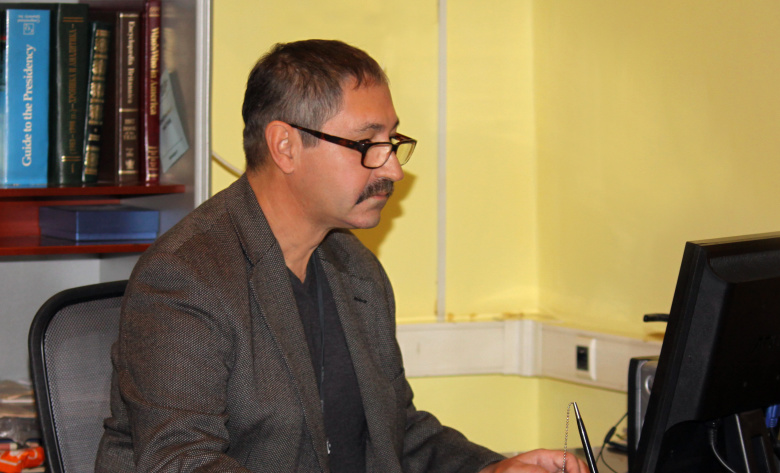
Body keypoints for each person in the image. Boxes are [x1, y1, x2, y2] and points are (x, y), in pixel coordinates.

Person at [94, 39, 588, 473]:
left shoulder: (355, 268)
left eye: (391, 141)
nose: (392, 169)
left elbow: (396, 431)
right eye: (367, 143)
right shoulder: (186, 276)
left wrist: (492, 467)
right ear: (285, 146)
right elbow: (182, 462)